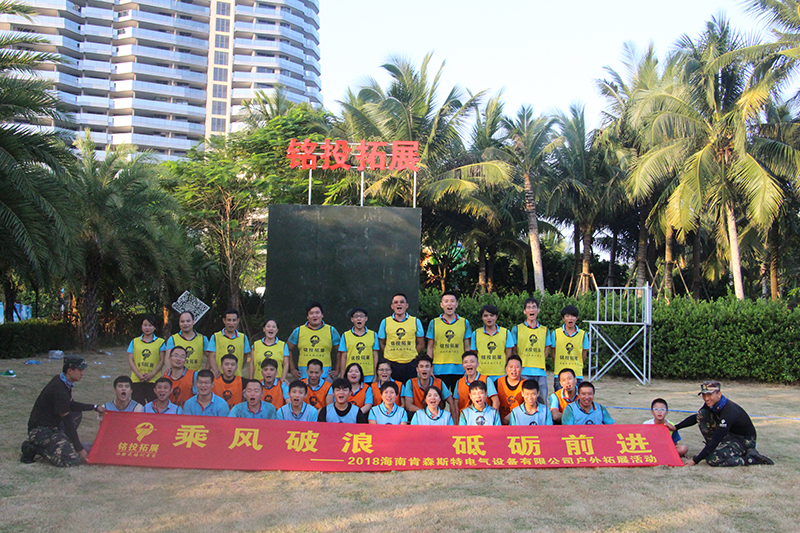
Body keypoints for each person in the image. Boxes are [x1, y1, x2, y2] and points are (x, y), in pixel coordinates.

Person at [22, 355, 106, 466]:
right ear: (70, 371)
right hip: (40, 431)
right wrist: (80, 449)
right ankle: (33, 448)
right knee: (72, 460)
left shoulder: (62, 381)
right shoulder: (59, 389)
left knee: (76, 414)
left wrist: (95, 407)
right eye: (80, 370)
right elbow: (67, 421)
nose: (82, 373)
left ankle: (61, 444)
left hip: (54, 426)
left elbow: (71, 405)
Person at [674, 381, 773, 466]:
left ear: (719, 394)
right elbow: (696, 417)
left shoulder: (728, 412)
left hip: (743, 440)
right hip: (729, 435)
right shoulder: (712, 403)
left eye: (709, 394)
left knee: (712, 459)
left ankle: (751, 459)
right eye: (704, 395)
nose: (706, 398)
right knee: (702, 414)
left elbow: (716, 439)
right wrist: (676, 427)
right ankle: (714, 449)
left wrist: (695, 461)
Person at [426, 291, 472, 391]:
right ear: (441, 305)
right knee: (439, 397)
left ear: (456, 304)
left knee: (459, 397)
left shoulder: (464, 322)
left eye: (452, 301)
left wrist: (468, 366)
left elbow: (467, 347)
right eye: (446, 301)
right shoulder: (434, 323)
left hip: (459, 368)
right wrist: (429, 367)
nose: (449, 304)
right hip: (439, 368)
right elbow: (430, 347)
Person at [378, 293, 425, 384]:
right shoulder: (385, 322)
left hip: (410, 363)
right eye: (396, 302)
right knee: (391, 390)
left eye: (402, 302)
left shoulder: (415, 321)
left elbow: (421, 343)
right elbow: (381, 343)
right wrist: (389, 354)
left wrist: (412, 354)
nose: (399, 304)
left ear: (407, 305)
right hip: (391, 364)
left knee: (409, 390)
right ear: (392, 306)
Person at [287, 302, 341, 381]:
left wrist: (337, 370)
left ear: (322, 315)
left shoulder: (331, 330)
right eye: (311, 313)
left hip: (325, 376)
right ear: (307, 316)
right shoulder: (298, 331)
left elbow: (340, 351)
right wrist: (292, 369)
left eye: (317, 313)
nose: (315, 315)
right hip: (303, 376)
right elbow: (287, 349)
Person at [511, 297, 549, 399]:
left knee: (542, 399)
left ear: (538, 310)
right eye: (528, 307)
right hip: (523, 371)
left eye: (534, 307)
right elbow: (514, 350)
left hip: (540, 371)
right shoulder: (517, 329)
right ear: (524, 311)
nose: (531, 310)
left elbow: (546, 351)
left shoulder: (545, 330)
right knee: (523, 399)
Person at [127, 314, 166, 405]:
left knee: (153, 405)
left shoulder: (160, 342)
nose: (147, 328)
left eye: (150, 325)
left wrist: (152, 374)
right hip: (137, 379)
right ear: (141, 326)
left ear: (154, 327)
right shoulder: (135, 341)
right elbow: (130, 359)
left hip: (154, 380)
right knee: (137, 405)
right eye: (145, 325)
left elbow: (162, 360)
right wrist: (138, 374)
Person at [549, 305, 589, 391]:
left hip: (577, 374)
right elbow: (553, 353)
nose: (570, 318)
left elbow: (584, 354)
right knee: (560, 398)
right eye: (567, 316)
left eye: (573, 316)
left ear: (577, 318)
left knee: (576, 398)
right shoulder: (556, 333)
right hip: (559, 373)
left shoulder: (583, 334)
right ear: (563, 318)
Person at [452, 351, 498, 423]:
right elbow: (455, 404)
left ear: (477, 364)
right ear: (462, 365)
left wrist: (493, 418)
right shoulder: (459, 382)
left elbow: (495, 401)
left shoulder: (486, 380)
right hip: (466, 419)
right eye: (466, 362)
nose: (469, 364)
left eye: (472, 362)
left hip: (485, 418)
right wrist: (457, 422)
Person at [470, 304, 514, 379]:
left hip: (500, 374)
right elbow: (474, 353)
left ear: (496, 316)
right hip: (481, 373)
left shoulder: (506, 332)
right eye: (485, 316)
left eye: (492, 315)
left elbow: (508, 354)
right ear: (482, 318)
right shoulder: (476, 333)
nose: (489, 318)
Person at [338, 307, 379, 382]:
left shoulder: (373, 335)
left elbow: (375, 356)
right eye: (356, 316)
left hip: (369, 375)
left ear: (366, 318)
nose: (359, 319)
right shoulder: (345, 335)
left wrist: (376, 375)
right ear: (352, 319)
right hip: (351, 375)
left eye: (362, 316)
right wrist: (342, 376)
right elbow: (344, 357)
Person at [208, 308, 252, 379]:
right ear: (224, 320)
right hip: (220, 376)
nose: (231, 323)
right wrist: (216, 371)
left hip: (237, 377)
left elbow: (245, 357)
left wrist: (237, 369)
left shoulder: (243, 338)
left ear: (238, 320)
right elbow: (212, 356)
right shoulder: (215, 337)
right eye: (229, 320)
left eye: (234, 320)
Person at [495, 355, 525, 424]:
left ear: (521, 369)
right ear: (506, 368)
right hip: (499, 422)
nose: (514, 370)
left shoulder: (525, 384)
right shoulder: (498, 382)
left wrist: (513, 415)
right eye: (511, 367)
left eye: (517, 367)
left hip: (519, 422)